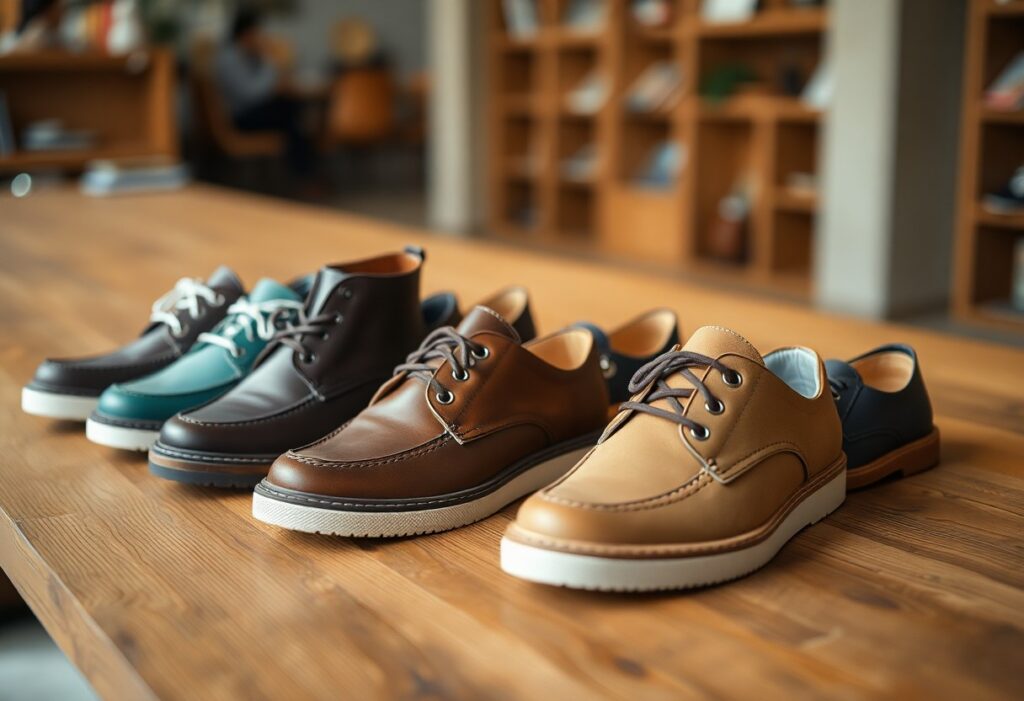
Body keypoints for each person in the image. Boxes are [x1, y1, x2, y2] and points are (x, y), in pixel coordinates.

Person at [214, 9, 314, 177]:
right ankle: (304, 175)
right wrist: (269, 59)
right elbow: (251, 94)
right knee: (290, 114)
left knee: (292, 114)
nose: (261, 38)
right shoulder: (229, 59)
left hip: (254, 112)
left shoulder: (248, 56)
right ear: (246, 34)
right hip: (240, 118)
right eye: (257, 34)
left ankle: (304, 173)